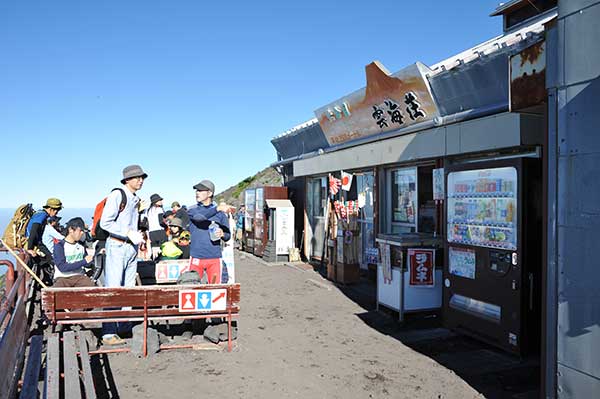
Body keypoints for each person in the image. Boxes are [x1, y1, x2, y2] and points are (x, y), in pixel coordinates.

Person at [99, 164, 147, 346]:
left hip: (130, 248)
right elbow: (106, 222)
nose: (140, 180)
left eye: (142, 177)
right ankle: (109, 332)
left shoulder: (134, 198)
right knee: (113, 288)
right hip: (118, 246)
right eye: (136, 178)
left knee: (128, 287)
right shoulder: (117, 195)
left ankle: (124, 325)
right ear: (127, 180)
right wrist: (128, 233)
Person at [187, 180, 230, 284]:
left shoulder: (221, 215)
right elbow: (199, 218)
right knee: (191, 289)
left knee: (216, 290)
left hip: (214, 258)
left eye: (201, 190)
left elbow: (227, 236)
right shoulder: (192, 210)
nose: (197, 193)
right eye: (197, 190)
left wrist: (222, 234)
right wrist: (217, 208)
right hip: (196, 257)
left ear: (210, 193)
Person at [26, 198, 63, 283]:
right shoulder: (42, 215)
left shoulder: (40, 214)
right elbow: (34, 229)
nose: (56, 213)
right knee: (50, 259)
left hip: (37, 242)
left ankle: (46, 280)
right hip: (35, 243)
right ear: (50, 209)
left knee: (48, 259)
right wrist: (30, 248)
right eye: (56, 211)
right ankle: (48, 281)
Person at [52, 217, 95, 288]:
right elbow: (62, 267)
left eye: (83, 231)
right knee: (57, 293)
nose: (82, 233)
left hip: (79, 277)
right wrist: (84, 261)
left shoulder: (81, 245)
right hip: (62, 278)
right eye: (80, 230)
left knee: (93, 289)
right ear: (71, 230)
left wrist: (94, 258)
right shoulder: (59, 245)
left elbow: (87, 263)